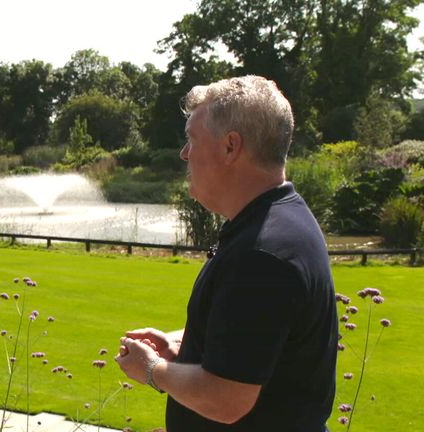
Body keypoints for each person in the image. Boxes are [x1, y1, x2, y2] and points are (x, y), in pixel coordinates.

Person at [115, 75, 338, 431]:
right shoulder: (279, 220)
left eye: (192, 139)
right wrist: (183, 344)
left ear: (230, 147)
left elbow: (226, 398)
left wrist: (152, 370)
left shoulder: (262, 254)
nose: (184, 153)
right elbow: (256, 338)